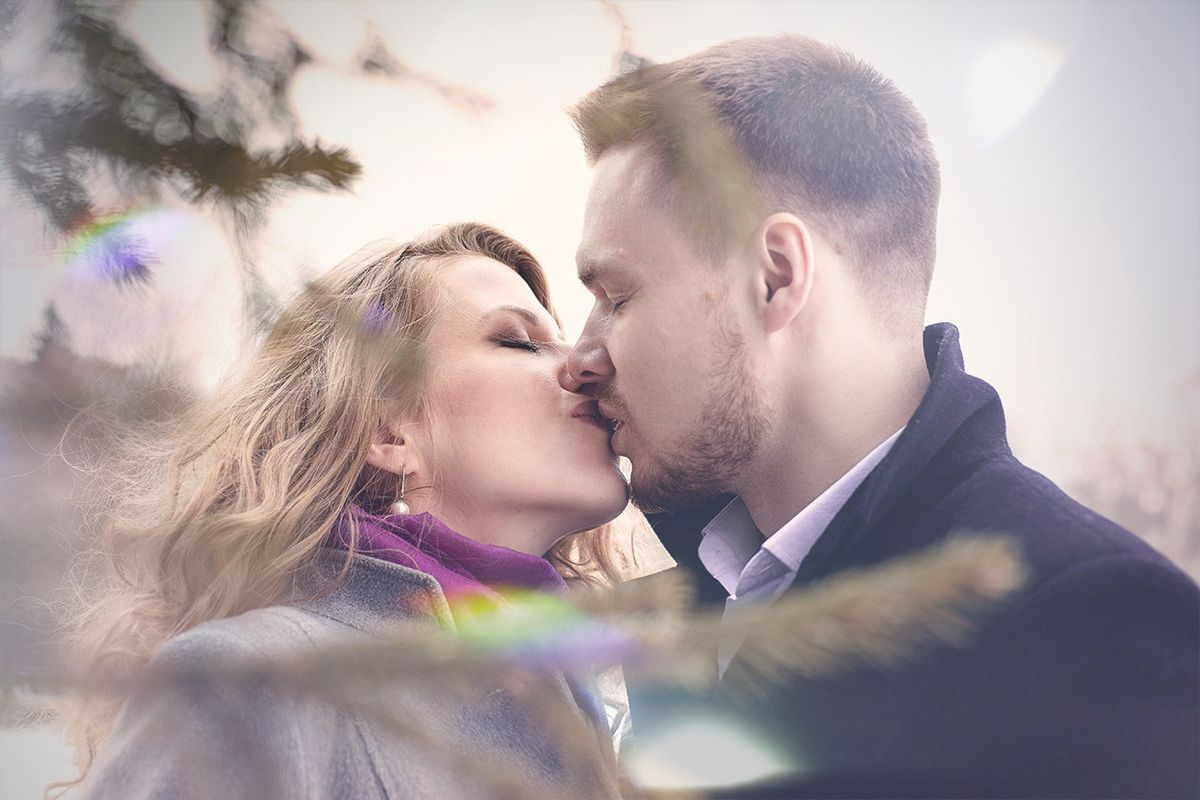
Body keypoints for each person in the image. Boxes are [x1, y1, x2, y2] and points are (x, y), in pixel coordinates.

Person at [560, 35, 1200, 798]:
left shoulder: (1087, 627)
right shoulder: (684, 608)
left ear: (775, 277)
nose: (579, 356)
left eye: (616, 297)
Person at [57, 223, 628, 800]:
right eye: (517, 341)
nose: (581, 364)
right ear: (387, 428)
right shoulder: (250, 683)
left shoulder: (589, 703)